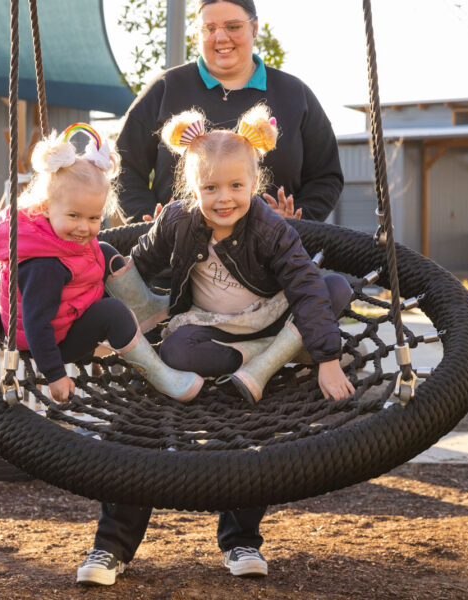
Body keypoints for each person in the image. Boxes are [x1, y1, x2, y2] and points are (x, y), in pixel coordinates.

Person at [76, 106, 354, 586]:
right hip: (210, 331)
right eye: (209, 189)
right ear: (190, 188)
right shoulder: (179, 222)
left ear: (254, 183)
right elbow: (137, 265)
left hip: (270, 316)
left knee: (332, 290)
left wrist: (328, 360)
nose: (223, 199)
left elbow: (306, 286)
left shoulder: (269, 226)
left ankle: (242, 540)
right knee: (174, 359)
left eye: (235, 187)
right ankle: (111, 549)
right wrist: (94, 299)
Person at [0, 123, 203, 404]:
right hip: (49, 342)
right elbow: (37, 324)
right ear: (46, 207)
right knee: (111, 312)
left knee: (103, 249)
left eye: (93, 218)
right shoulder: (45, 266)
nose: (83, 227)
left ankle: (142, 307)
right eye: (74, 216)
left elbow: (85, 261)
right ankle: (161, 376)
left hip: (66, 311)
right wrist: (54, 374)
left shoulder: (61, 237)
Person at [116, 0, 343, 223]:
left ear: (254, 27)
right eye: (209, 28)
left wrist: (297, 223)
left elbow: (326, 175)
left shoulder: (295, 94)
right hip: (176, 254)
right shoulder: (165, 88)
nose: (221, 37)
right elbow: (122, 166)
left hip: (274, 254)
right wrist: (150, 225)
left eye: (233, 26)